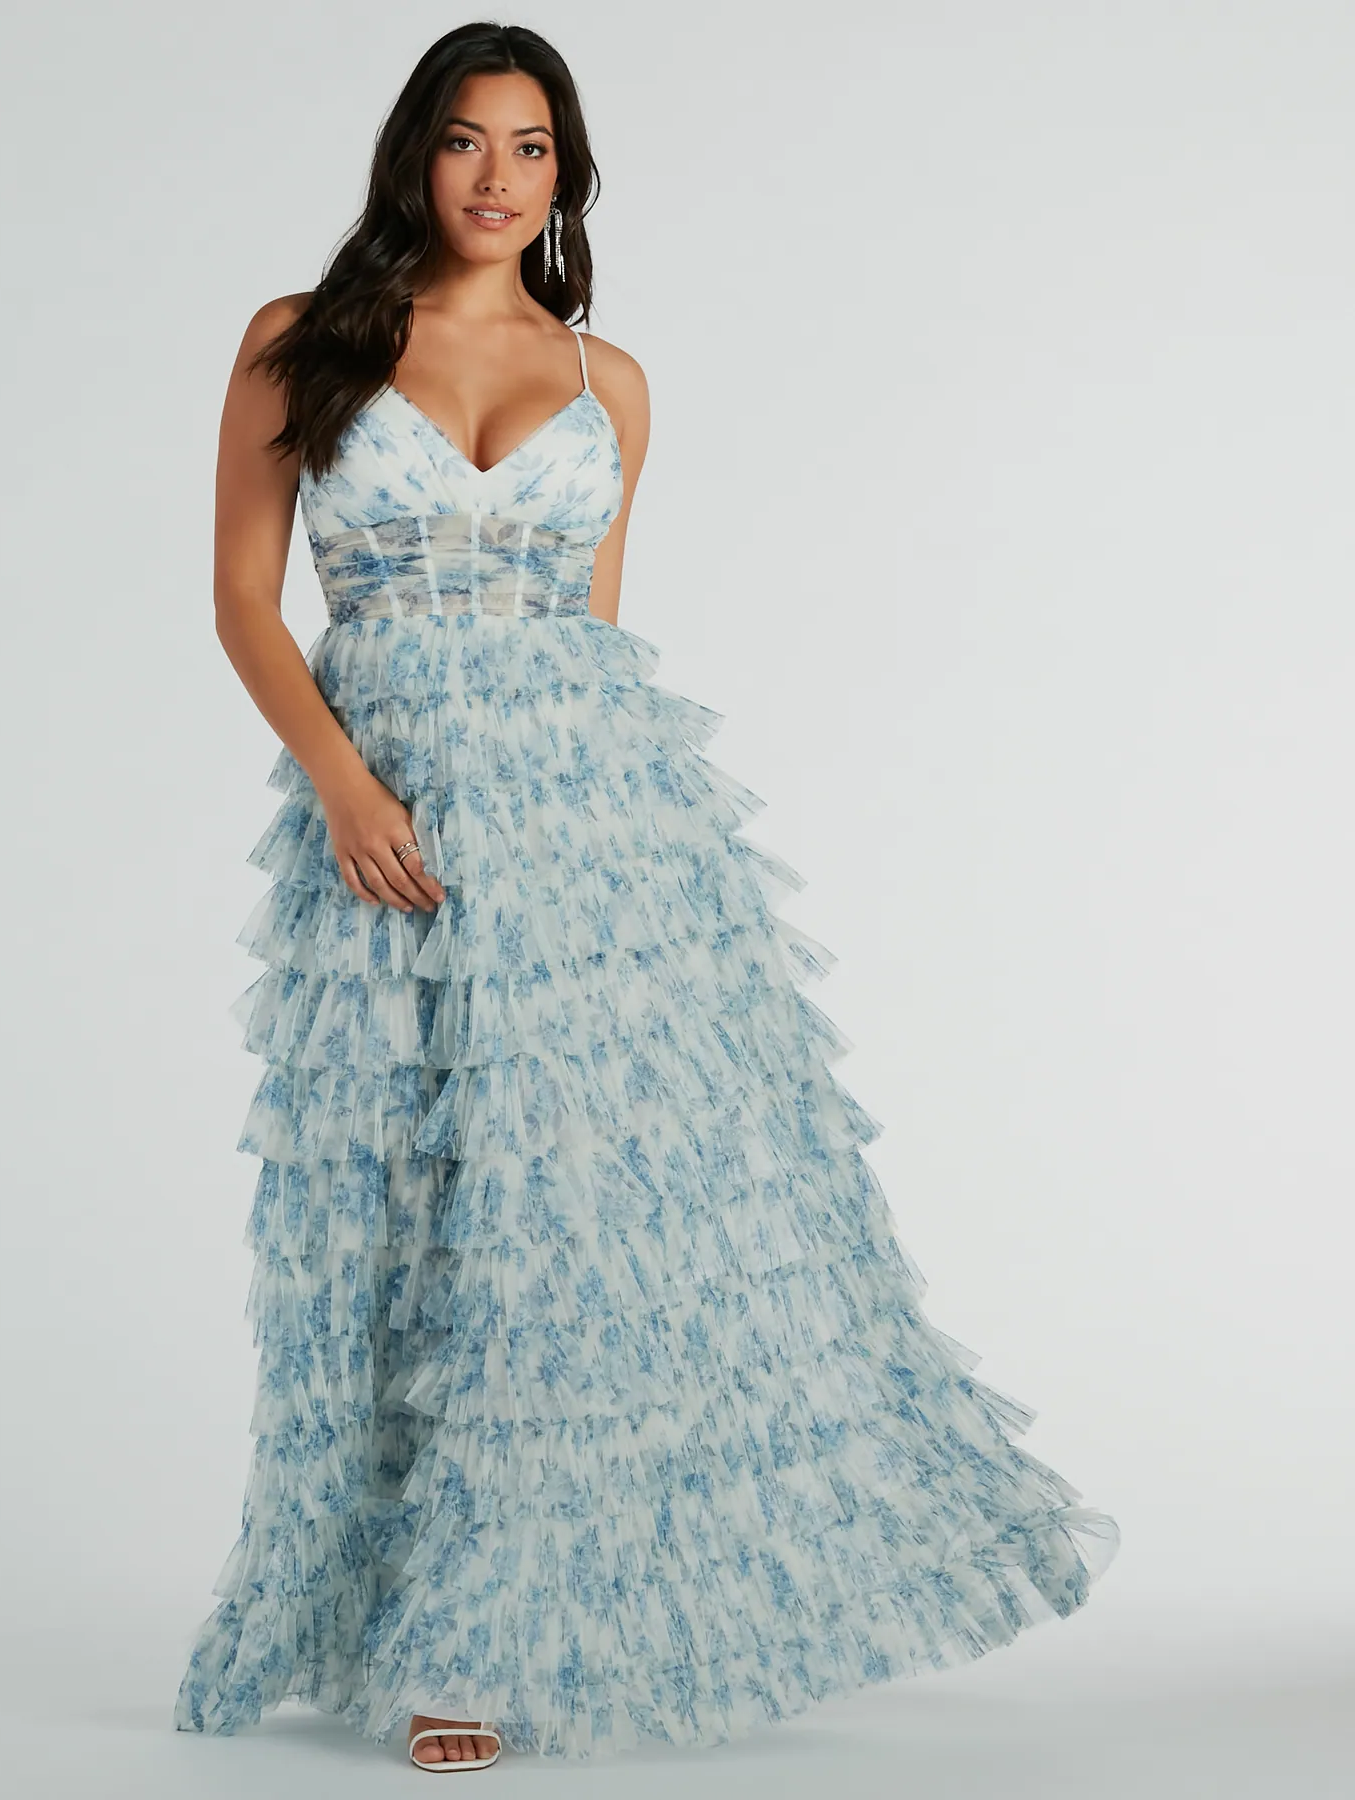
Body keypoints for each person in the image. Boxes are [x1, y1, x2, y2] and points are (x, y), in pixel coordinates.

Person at [171, 19, 1120, 1773]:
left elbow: (593, 634)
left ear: (567, 175)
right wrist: (346, 786)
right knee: (397, 1219)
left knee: (563, 1236)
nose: (495, 176)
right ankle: (390, 1613)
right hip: (384, 835)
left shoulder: (608, 381)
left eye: (530, 147)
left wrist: (624, 902)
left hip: (598, 846)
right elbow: (243, 598)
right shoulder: (299, 340)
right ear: (413, 156)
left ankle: (484, 1634)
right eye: (466, 140)